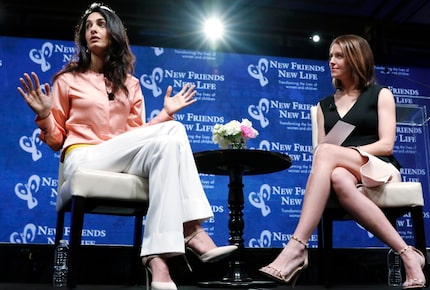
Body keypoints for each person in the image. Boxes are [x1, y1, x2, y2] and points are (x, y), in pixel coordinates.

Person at [17, 3, 236, 290]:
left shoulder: (131, 85)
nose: (93, 29)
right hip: (83, 157)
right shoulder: (67, 79)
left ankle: (156, 259)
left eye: (101, 24)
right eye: (88, 26)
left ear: (115, 32)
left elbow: (139, 136)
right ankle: (191, 229)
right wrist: (45, 115)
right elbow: (57, 142)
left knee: (168, 141)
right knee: (173, 130)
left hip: (121, 156)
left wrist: (164, 114)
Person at [259, 34, 426, 289]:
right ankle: (408, 254)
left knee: (327, 153)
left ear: (356, 58)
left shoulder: (380, 94)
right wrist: (338, 157)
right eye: (330, 56)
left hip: (379, 166)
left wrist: (346, 152)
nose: (331, 62)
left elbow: (386, 144)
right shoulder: (323, 106)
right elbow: (322, 154)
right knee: (335, 173)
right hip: (343, 171)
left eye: (339, 56)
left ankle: (297, 246)